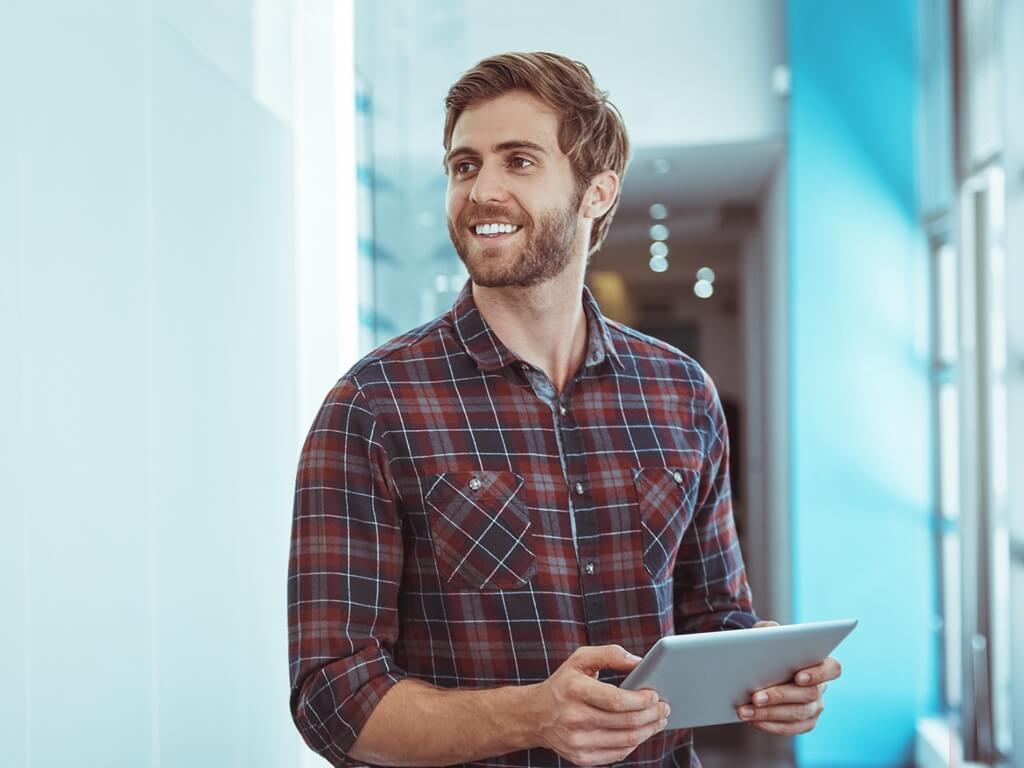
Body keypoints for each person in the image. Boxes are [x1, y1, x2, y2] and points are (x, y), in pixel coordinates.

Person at [288, 51, 840, 767]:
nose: (482, 190)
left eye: (519, 161)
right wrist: (531, 717)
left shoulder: (682, 394)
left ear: (597, 193)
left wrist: (769, 676)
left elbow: (714, 616)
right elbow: (330, 697)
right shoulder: (373, 405)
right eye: (464, 165)